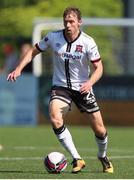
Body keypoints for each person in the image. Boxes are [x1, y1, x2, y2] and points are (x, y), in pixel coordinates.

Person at [7, 7, 113, 173]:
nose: (68, 25)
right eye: (66, 22)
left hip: (83, 88)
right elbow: (33, 51)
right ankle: (77, 158)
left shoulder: (88, 42)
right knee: (55, 118)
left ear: (79, 22)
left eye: (72, 21)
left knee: (99, 129)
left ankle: (103, 155)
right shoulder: (53, 37)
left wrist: (90, 82)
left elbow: (99, 68)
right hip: (61, 86)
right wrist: (19, 68)